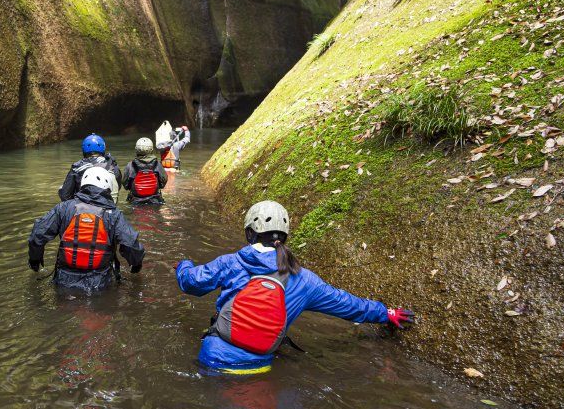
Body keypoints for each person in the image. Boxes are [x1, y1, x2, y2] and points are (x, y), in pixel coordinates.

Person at [174, 200, 414, 374]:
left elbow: (191, 283)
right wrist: (386, 313)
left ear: (249, 234)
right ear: (285, 237)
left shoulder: (230, 263)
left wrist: (183, 265)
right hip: (259, 366)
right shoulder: (304, 279)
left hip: (214, 359)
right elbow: (347, 304)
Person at [29, 167, 145, 292]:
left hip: (64, 281)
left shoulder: (63, 208)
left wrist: (35, 259)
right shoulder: (114, 215)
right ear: (108, 187)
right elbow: (131, 244)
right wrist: (136, 264)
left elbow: (38, 234)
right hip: (100, 283)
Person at [59, 133, 122, 202]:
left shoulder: (77, 168)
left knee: (61, 189)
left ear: (84, 150)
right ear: (103, 148)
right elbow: (117, 188)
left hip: (82, 207)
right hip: (107, 206)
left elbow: (65, 195)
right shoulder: (112, 165)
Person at [122, 137, 168, 205]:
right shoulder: (157, 164)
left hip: (135, 201)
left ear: (136, 149)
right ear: (151, 149)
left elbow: (125, 185)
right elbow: (163, 182)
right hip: (154, 200)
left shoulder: (130, 165)